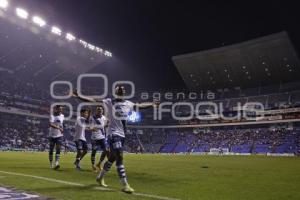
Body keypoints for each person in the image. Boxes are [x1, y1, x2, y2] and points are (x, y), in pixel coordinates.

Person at [72, 85, 158, 193]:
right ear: (115, 91)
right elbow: (93, 100)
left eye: (123, 88)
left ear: (124, 92)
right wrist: (79, 96)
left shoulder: (128, 104)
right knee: (119, 157)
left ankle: (100, 177)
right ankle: (125, 184)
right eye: (119, 88)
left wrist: (152, 104)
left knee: (112, 158)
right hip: (113, 134)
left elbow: (140, 105)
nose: (121, 89)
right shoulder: (109, 102)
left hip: (122, 135)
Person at [90, 105, 109, 172]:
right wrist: (95, 128)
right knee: (94, 151)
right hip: (95, 138)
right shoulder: (93, 118)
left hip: (102, 137)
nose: (100, 110)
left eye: (101, 109)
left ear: (102, 110)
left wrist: (107, 125)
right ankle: (93, 166)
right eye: (98, 109)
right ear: (96, 111)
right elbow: (91, 128)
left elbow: (105, 126)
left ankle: (99, 164)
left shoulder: (104, 118)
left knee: (106, 150)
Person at [49, 105, 64, 170]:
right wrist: (59, 128)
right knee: (51, 150)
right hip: (52, 135)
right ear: (56, 109)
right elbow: (51, 124)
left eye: (61, 109)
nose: (61, 110)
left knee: (58, 149)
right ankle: (51, 163)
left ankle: (57, 163)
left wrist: (62, 129)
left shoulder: (62, 116)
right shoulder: (52, 116)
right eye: (59, 109)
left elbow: (61, 124)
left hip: (59, 135)